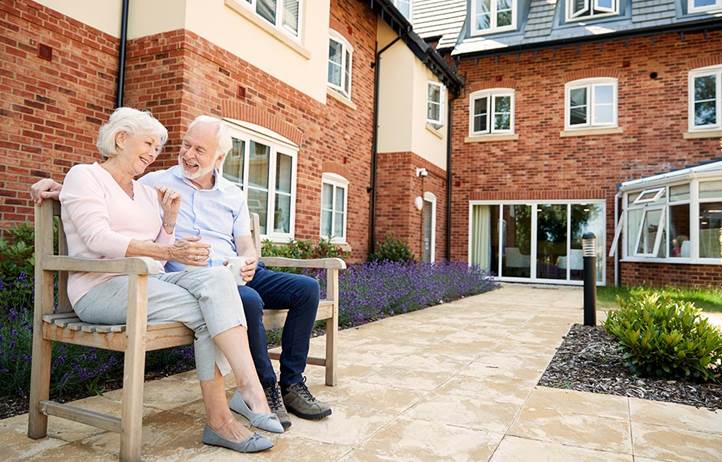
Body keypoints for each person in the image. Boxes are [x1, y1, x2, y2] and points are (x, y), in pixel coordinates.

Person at [32, 115, 331, 430]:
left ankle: (291, 384)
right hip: (181, 277)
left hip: (229, 270)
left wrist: (249, 259)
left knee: (306, 288)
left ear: (219, 158)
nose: (188, 155)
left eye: (200, 150)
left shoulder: (229, 193)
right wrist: (62, 188)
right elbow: (106, 190)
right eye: (186, 145)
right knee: (245, 300)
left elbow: (244, 242)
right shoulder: (155, 181)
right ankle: (262, 389)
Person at [56, 107, 281, 454]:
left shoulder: (146, 192)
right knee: (212, 309)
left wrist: (170, 223)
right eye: (148, 144)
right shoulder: (85, 176)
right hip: (100, 288)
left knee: (219, 281)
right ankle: (237, 407)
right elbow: (97, 238)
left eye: (158, 148)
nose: (154, 154)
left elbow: (160, 252)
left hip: (149, 284)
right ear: (120, 139)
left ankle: (244, 395)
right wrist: (169, 251)